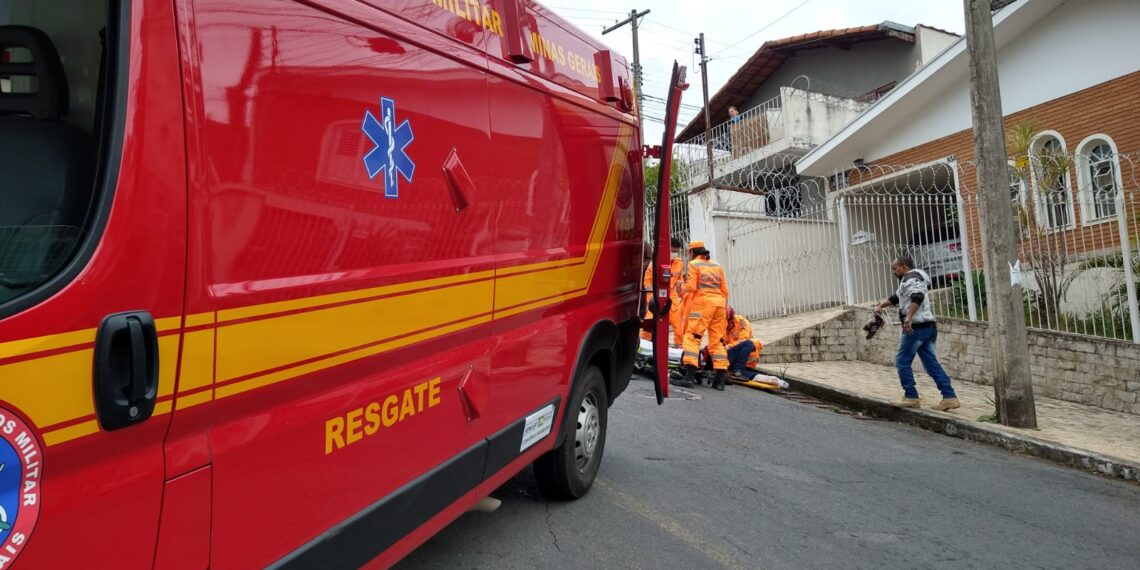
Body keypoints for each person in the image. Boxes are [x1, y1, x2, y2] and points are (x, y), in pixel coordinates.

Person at [873, 256, 960, 411]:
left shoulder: (911, 278)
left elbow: (917, 297)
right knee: (931, 364)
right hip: (928, 327)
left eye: (895, 268)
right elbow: (896, 298)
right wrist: (881, 306)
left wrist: (908, 317)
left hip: (917, 328)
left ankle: (911, 396)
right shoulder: (909, 280)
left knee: (902, 361)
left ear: (904, 267)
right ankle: (949, 397)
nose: (893, 272)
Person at [674, 241, 731, 391]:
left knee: (692, 337)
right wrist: (723, 307)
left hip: (703, 305)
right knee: (717, 340)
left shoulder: (694, 265)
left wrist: (680, 287)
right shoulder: (717, 265)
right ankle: (719, 380)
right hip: (719, 304)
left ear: (693, 252)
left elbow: (691, 287)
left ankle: (689, 377)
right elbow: (725, 290)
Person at [640, 238, 686, 346]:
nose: (674, 253)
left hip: (672, 299)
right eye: (672, 251)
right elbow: (647, 281)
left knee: (678, 326)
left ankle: (678, 348)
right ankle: (646, 345)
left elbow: (680, 281)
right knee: (649, 324)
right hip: (656, 297)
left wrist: (682, 293)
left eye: (676, 251)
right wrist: (651, 299)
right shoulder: (655, 262)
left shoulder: (679, 263)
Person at [723, 307, 762, 381]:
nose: (726, 325)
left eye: (727, 322)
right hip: (727, 358)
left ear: (732, 319)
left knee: (753, 342)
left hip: (745, 361)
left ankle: (738, 370)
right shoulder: (719, 326)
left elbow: (743, 340)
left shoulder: (741, 322)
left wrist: (729, 346)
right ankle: (737, 370)